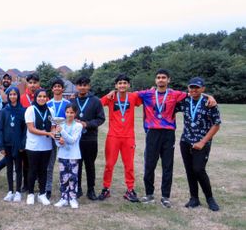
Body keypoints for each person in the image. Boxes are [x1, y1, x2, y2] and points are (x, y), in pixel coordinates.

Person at [137, 69, 190, 207]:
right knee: (149, 165)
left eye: (164, 77)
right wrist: (113, 92)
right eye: (159, 77)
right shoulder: (147, 94)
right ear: (155, 80)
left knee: (167, 166)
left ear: (168, 80)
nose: (161, 80)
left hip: (168, 133)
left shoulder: (175, 94)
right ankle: (149, 194)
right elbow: (126, 94)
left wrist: (210, 97)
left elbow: (194, 93)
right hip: (152, 133)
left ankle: (166, 196)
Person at [176, 77, 221, 211]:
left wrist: (202, 142)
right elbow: (169, 99)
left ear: (203, 89)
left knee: (199, 169)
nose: (194, 89)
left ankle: (210, 198)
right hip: (185, 141)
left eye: (197, 87)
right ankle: (194, 198)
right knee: (189, 170)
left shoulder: (209, 103)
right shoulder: (185, 101)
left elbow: (216, 124)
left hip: (202, 142)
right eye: (191, 87)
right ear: (188, 88)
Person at [99, 74, 142, 202]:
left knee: (129, 165)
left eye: (124, 83)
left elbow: (144, 100)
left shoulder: (133, 97)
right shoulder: (111, 97)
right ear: (116, 85)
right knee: (109, 164)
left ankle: (130, 190)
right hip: (113, 136)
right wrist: (109, 94)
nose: (122, 85)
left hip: (128, 137)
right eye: (119, 83)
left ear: (128, 85)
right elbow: (99, 103)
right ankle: (106, 188)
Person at [69, 76, 105, 200]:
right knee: (76, 164)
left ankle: (91, 190)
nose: (82, 87)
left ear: (89, 86)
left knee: (90, 165)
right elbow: (68, 116)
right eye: (80, 85)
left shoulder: (95, 101)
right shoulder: (72, 101)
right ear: (76, 87)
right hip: (76, 139)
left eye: (85, 85)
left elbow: (101, 119)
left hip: (90, 138)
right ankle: (77, 189)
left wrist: (87, 124)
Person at [25, 88, 55, 205]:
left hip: (46, 146)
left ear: (47, 98)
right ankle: (31, 194)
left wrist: (57, 135)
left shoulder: (51, 110)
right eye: (39, 96)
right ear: (35, 97)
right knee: (32, 170)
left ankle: (42, 194)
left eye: (44, 96)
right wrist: (48, 133)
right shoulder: (30, 110)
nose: (42, 99)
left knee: (44, 171)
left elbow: (53, 127)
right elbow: (31, 129)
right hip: (33, 146)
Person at [0, 86, 26, 202]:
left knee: (18, 168)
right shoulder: (4, 111)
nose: (13, 96)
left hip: (18, 145)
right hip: (7, 145)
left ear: (18, 96)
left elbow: (24, 130)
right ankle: (10, 191)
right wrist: (1, 146)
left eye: (15, 94)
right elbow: (0, 129)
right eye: (10, 94)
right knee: (9, 168)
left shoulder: (22, 111)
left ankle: (18, 191)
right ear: (7, 96)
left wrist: (22, 144)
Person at [45, 78, 70, 199]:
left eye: (59, 86)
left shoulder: (67, 104)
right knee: (50, 164)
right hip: (51, 136)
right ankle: (48, 187)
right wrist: (53, 132)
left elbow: (70, 121)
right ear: (52, 89)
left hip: (63, 137)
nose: (57, 88)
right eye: (55, 86)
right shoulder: (47, 103)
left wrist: (61, 135)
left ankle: (64, 185)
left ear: (63, 88)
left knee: (64, 163)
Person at [54, 104, 82, 209]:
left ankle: (73, 198)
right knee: (63, 178)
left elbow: (72, 140)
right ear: (65, 113)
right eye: (67, 112)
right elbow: (57, 140)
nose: (69, 114)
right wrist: (59, 141)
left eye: (71, 112)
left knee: (73, 177)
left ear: (75, 114)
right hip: (62, 155)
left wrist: (62, 132)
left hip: (74, 155)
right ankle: (64, 198)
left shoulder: (78, 126)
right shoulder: (60, 124)